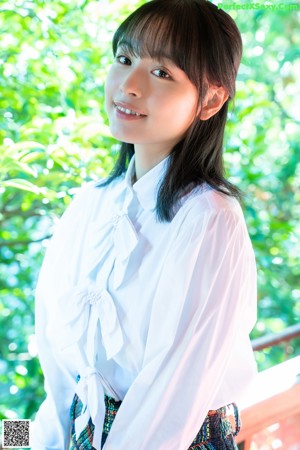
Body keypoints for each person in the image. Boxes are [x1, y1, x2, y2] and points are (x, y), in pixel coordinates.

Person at [32, 0, 258, 449]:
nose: (129, 85)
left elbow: (170, 403)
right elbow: (59, 375)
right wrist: (26, 439)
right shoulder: (89, 205)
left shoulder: (209, 219)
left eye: (162, 73)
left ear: (210, 99)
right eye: (125, 59)